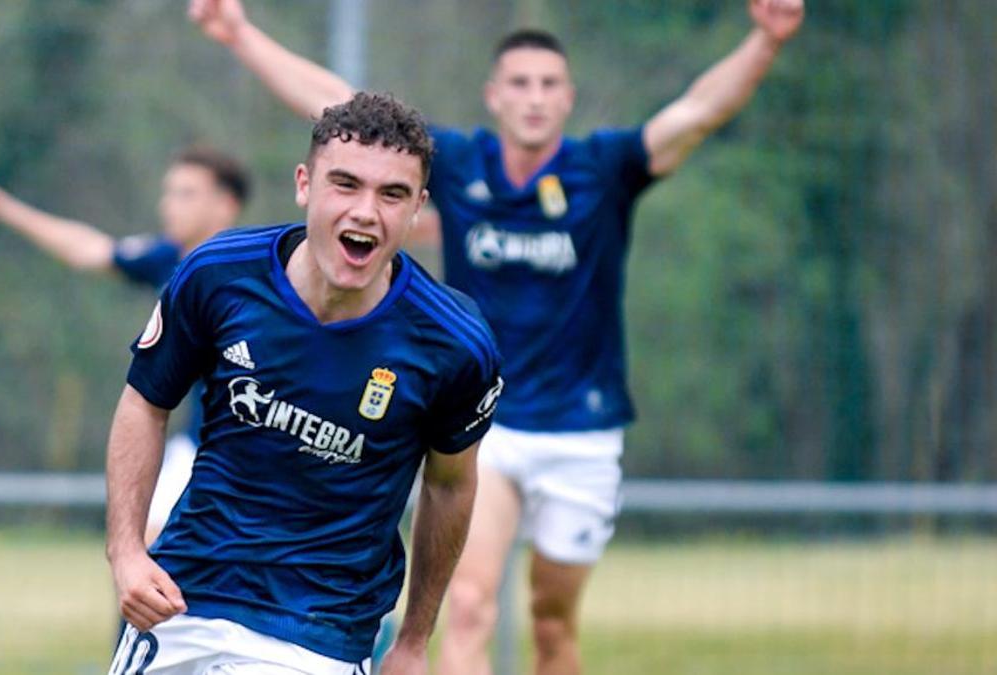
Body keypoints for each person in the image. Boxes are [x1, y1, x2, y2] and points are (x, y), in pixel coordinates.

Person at [187, 0, 804, 672]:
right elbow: (336, 105)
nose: (533, 97)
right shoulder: (458, 166)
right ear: (494, 95)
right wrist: (239, 32)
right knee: (472, 603)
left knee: (552, 623)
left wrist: (766, 42)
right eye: (519, 82)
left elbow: (696, 113)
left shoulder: (602, 168)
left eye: (547, 84)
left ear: (567, 98)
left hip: (581, 427)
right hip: (489, 423)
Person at [104, 92, 504, 674]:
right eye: (346, 184)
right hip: (185, 605)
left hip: (319, 635)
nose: (366, 212)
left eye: (392, 194)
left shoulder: (455, 343)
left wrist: (414, 641)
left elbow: (449, 486)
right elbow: (145, 402)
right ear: (304, 185)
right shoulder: (218, 274)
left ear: (418, 207)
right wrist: (127, 551)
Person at [0, 146, 250, 545]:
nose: (169, 204)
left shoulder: (257, 271)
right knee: (142, 552)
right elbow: (88, 249)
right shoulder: (168, 260)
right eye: (168, 192)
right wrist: (6, 209)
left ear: (226, 204)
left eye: (186, 193)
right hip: (199, 442)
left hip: (256, 450)